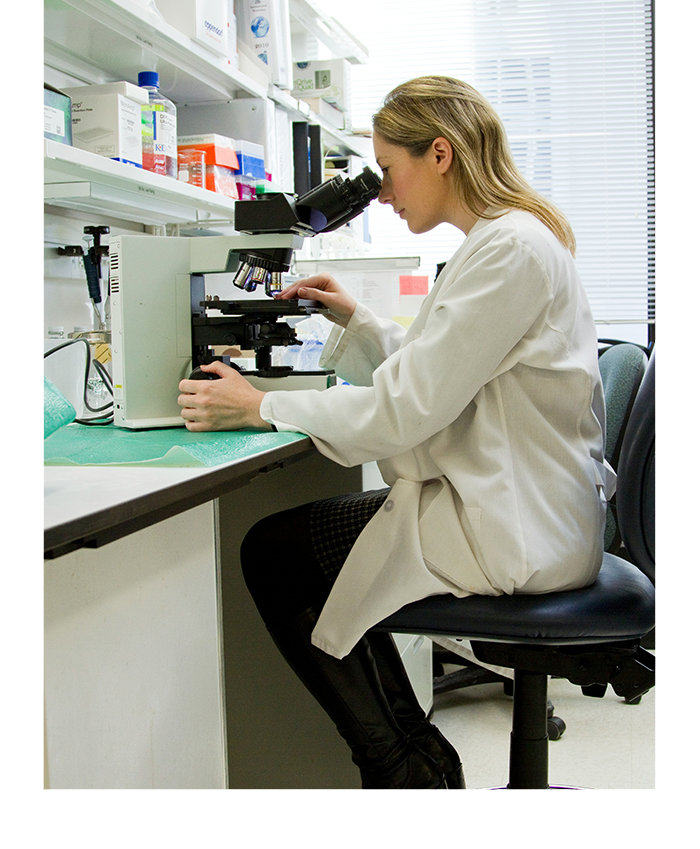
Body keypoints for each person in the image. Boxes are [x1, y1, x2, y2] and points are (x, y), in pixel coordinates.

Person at [177, 76, 614, 790]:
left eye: (388, 168)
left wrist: (260, 405)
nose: (381, 192)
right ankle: (417, 758)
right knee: (316, 555)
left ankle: (402, 768)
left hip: (512, 524)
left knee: (275, 554)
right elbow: (447, 367)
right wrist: (359, 321)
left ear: (439, 154)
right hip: (514, 504)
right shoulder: (506, 241)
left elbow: (404, 410)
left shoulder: (507, 249)